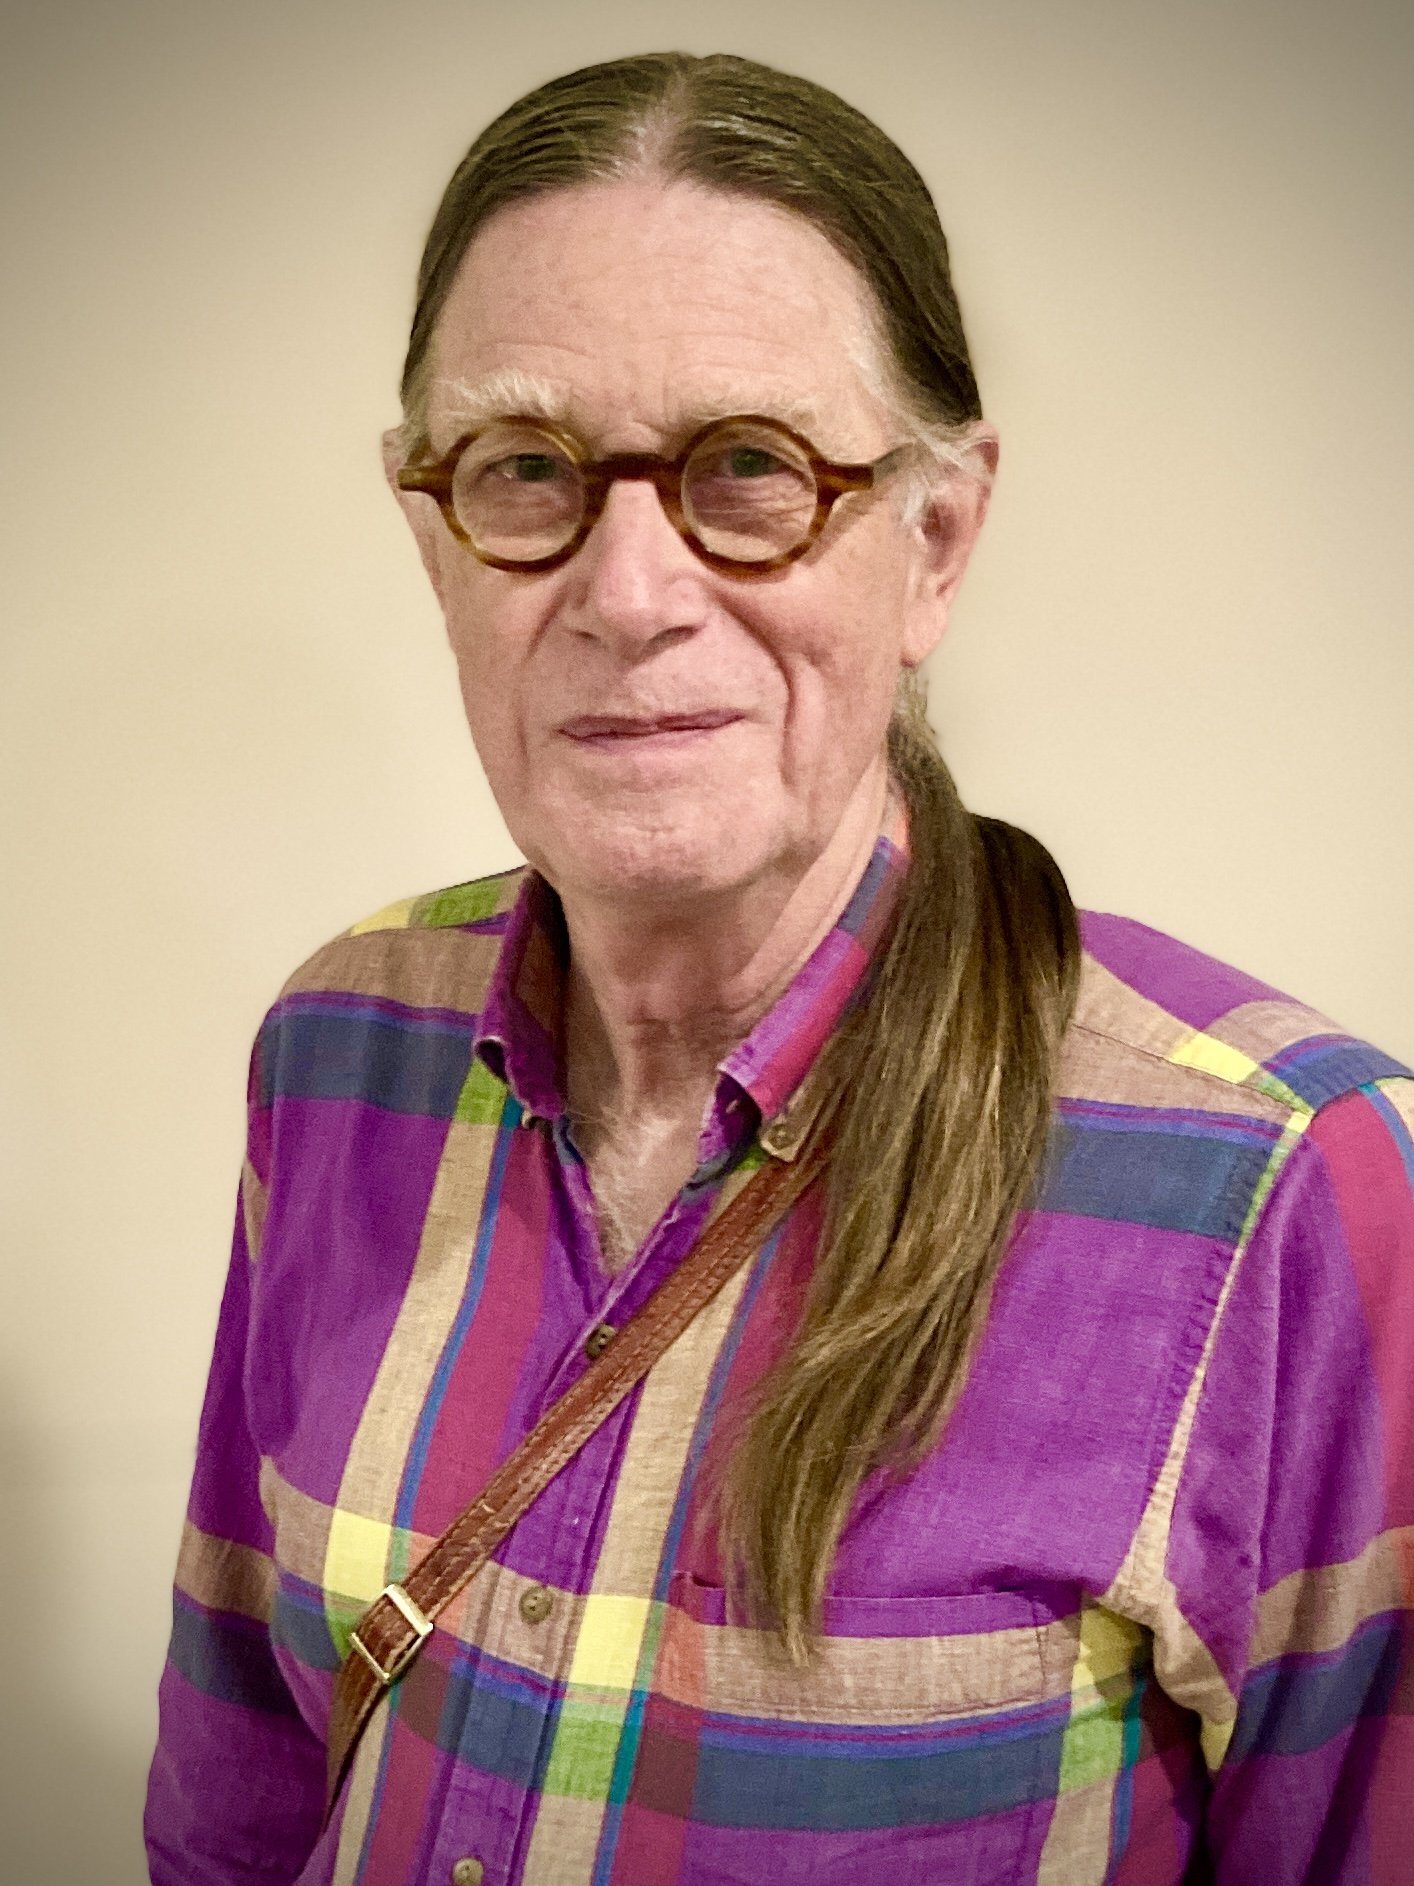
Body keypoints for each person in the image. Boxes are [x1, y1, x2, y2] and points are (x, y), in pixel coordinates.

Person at [145, 51, 1414, 1886]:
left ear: (936, 542)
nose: (631, 589)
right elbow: (237, 1782)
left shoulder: (1295, 1189)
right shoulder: (338, 1048)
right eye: (525, 469)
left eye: (751, 469)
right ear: (432, 537)